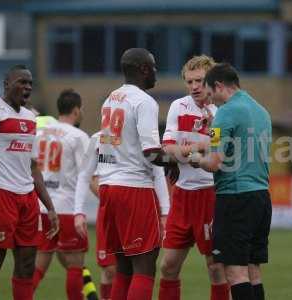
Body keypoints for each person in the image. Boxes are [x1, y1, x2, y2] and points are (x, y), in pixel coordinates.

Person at [74, 47, 175, 300]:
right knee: (145, 266)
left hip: (108, 187)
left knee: (123, 269)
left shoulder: (111, 98)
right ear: (142, 69)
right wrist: (184, 158)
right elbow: (152, 152)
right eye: (153, 67)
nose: (155, 72)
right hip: (133, 188)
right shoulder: (144, 101)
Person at [0, 65, 59, 300]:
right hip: (0, 197)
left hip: (27, 200)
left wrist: (49, 207)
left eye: (30, 83)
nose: (27, 87)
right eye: (21, 82)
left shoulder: (30, 117)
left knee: (26, 268)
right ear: (7, 84)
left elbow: (32, 167)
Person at [190, 63, 272, 300]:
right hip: (261, 198)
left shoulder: (225, 112)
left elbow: (215, 162)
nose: (210, 100)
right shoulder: (261, 111)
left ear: (218, 86)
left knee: (235, 273)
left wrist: (196, 159)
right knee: (254, 271)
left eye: (209, 92)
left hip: (235, 197)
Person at [158, 55, 228, 300]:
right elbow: (166, 150)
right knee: (168, 266)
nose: (194, 87)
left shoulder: (221, 111)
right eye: (189, 82)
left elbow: (220, 153)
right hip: (182, 195)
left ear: (210, 80)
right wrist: (200, 145)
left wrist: (187, 149)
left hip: (210, 195)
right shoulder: (179, 106)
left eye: (199, 81)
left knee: (215, 267)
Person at [74, 131, 170, 300]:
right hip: (132, 200)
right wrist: (165, 211)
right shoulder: (107, 138)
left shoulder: (106, 138)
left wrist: (78, 212)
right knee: (140, 266)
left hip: (114, 203)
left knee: (122, 268)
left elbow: (85, 175)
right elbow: (158, 173)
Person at [32, 89, 91, 300]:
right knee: (75, 265)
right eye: (81, 109)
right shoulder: (78, 136)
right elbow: (86, 175)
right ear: (76, 110)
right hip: (67, 208)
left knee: (39, 265)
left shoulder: (41, 133)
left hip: (43, 208)